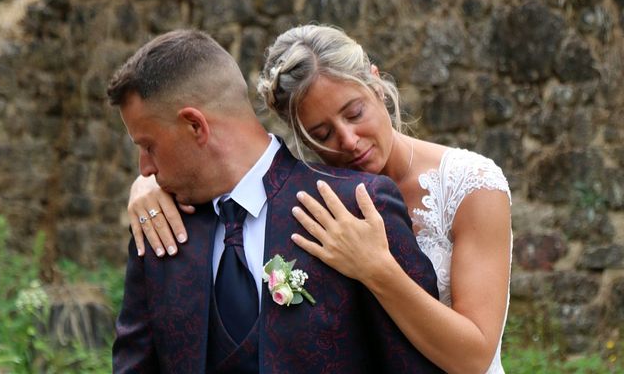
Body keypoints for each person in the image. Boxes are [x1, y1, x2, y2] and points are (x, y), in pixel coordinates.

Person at [127, 25, 513, 374]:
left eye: (355, 112)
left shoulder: (471, 185)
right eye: (321, 133)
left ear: (376, 85)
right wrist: (148, 184)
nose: (347, 140)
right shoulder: (320, 194)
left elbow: (475, 356)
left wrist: (377, 269)